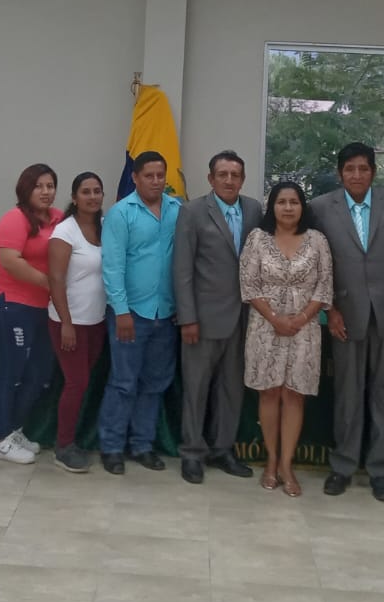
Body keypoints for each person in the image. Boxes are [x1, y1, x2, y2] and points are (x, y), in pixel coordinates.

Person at [310, 142, 384, 503]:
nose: (356, 175)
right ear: (340, 173)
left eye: (363, 168)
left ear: (373, 171)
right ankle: (343, 466)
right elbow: (319, 266)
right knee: (347, 395)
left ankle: (380, 469)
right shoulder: (321, 207)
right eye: (349, 169)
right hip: (345, 315)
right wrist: (330, 310)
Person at [172, 150, 260, 485]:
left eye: (235, 175)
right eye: (222, 174)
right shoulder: (192, 211)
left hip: (243, 318)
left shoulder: (254, 209)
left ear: (243, 179)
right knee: (196, 389)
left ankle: (223, 449)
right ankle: (192, 453)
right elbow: (182, 269)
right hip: (203, 319)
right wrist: (187, 318)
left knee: (231, 389)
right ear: (211, 179)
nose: (229, 180)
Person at [240, 181, 333, 498]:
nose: (288, 208)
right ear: (272, 207)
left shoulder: (317, 240)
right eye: (282, 202)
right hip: (265, 327)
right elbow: (249, 285)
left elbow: (324, 287)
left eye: (294, 202)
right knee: (269, 393)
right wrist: (276, 318)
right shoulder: (257, 238)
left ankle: (286, 465)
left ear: (302, 207)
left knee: (294, 395)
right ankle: (270, 461)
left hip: (304, 330)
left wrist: (300, 319)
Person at [98, 152, 182, 475]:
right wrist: (121, 311)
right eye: (149, 175)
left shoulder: (177, 210)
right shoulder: (121, 213)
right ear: (135, 177)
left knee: (154, 383)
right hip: (130, 314)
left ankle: (142, 445)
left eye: (161, 175)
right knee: (123, 382)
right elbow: (112, 267)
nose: (156, 181)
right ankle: (111, 447)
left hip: (166, 313)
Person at [0, 165, 62, 465]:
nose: (46, 191)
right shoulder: (14, 218)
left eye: (50, 185)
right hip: (9, 305)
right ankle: (0, 439)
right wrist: (50, 283)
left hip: (43, 308)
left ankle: (14, 429)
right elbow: (10, 261)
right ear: (25, 189)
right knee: (9, 371)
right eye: (39, 186)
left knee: (40, 373)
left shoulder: (58, 218)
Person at [48, 172, 106, 474]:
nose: (92, 197)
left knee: (82, 382)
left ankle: (72, 439)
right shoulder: (64, 231)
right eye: (86, 192)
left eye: (97, 191)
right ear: (74, 197)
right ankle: (63, 446)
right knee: (76, 382)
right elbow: (56, 279)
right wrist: (67, 323)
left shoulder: (105, 227)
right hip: (69, 322)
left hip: (96, 320)